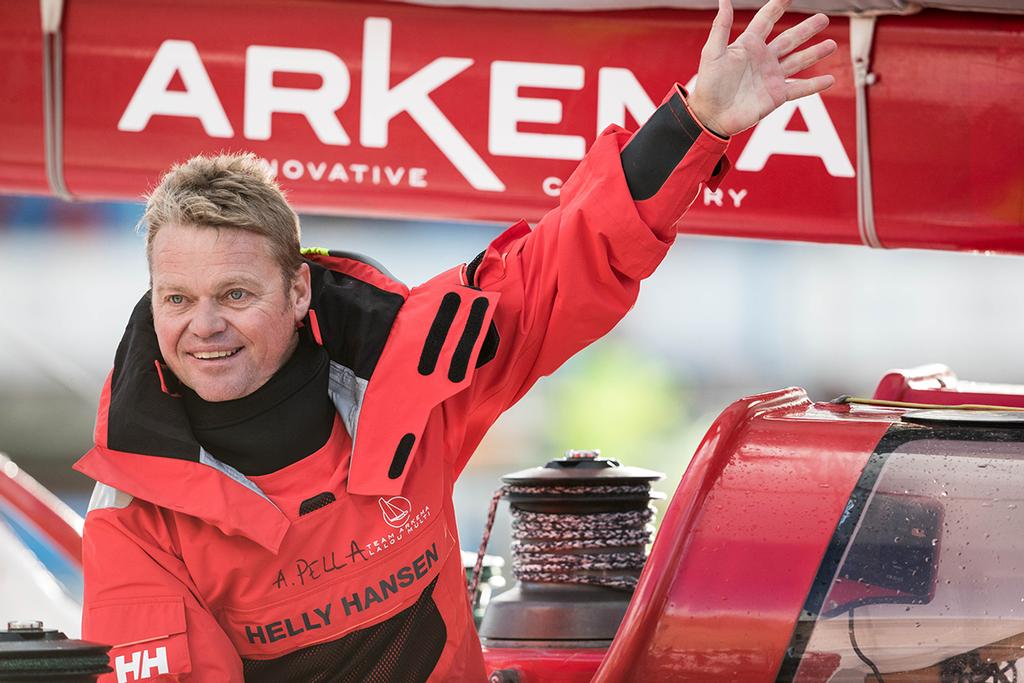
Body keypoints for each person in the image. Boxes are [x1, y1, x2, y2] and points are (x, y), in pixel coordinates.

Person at [74, 0, 836, 680]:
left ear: (298, 291)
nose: (203, 325)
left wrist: (693, 122)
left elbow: (559, 269)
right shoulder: (133, 510)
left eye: (235, 294)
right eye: (177, 298)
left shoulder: (415, 369)